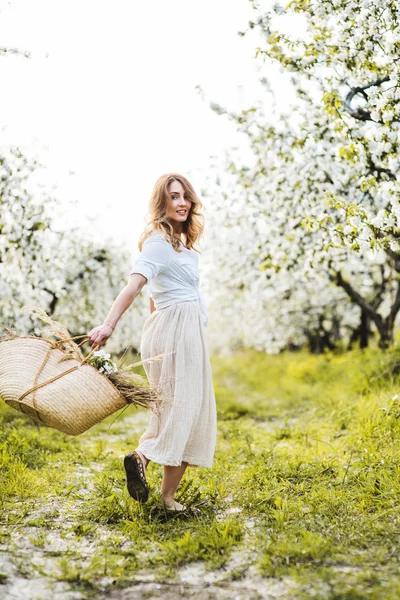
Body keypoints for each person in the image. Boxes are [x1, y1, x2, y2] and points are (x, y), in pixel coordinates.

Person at [87, 173, 217, 512]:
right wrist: (107, 325)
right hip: (176, 328)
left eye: (186, 196)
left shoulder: (184, 245)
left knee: (180, 407)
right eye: (174, 196)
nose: (183, 202)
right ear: (162, 203)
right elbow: (135, 285)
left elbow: (155, 296)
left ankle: (164, 493)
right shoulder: (158, 241)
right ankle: (145, 463)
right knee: (185, 407)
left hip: (180, 328)